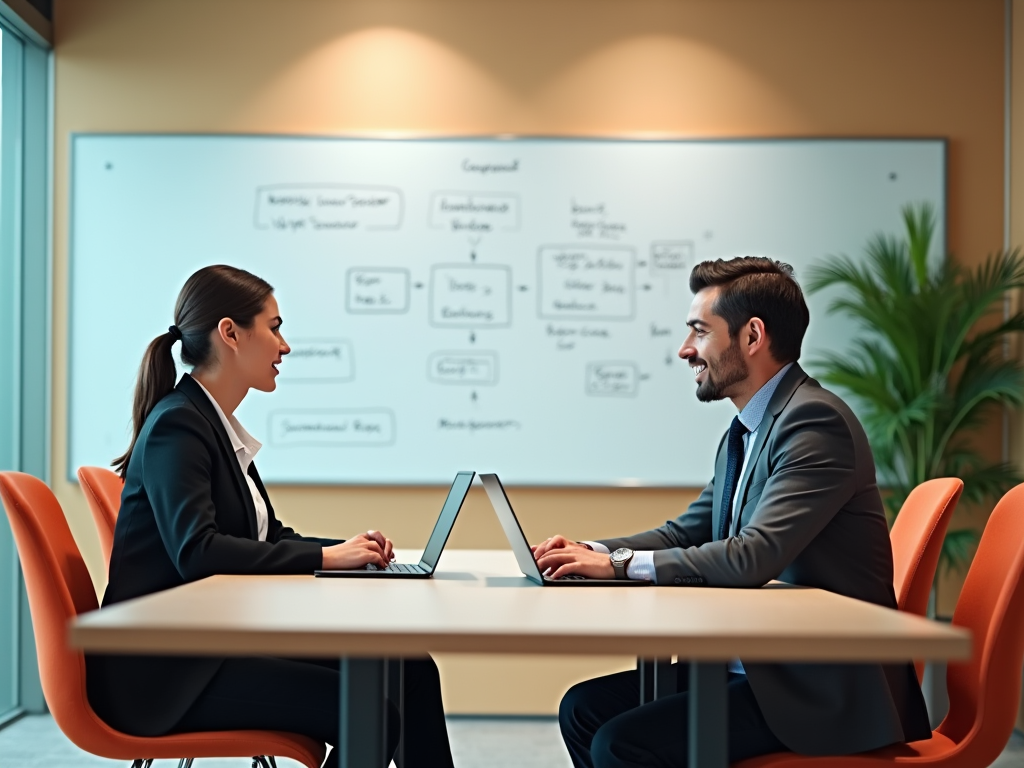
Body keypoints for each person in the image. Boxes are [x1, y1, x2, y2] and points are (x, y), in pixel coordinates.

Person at [533, 257, 931, 768]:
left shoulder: (814, 423)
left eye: (700, 331)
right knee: (583, 709)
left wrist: (618, 565)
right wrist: (594, 551)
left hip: (815, 686)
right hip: (757, 670)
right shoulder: (746, 431)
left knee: (622, 744)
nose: (685, 350)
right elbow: (687, 532)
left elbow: (753, 557)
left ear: (752, 336)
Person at [86, 265, 453, 768]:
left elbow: (264, 535)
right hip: (163, 675)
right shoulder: (179, 425)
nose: (285, 347)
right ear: (230, 334)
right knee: (370, 710)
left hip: (206, 652)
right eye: (275, 327)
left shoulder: (211, 422)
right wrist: (326, 555)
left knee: (409, 669)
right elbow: (199, 552)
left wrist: (348, 552)